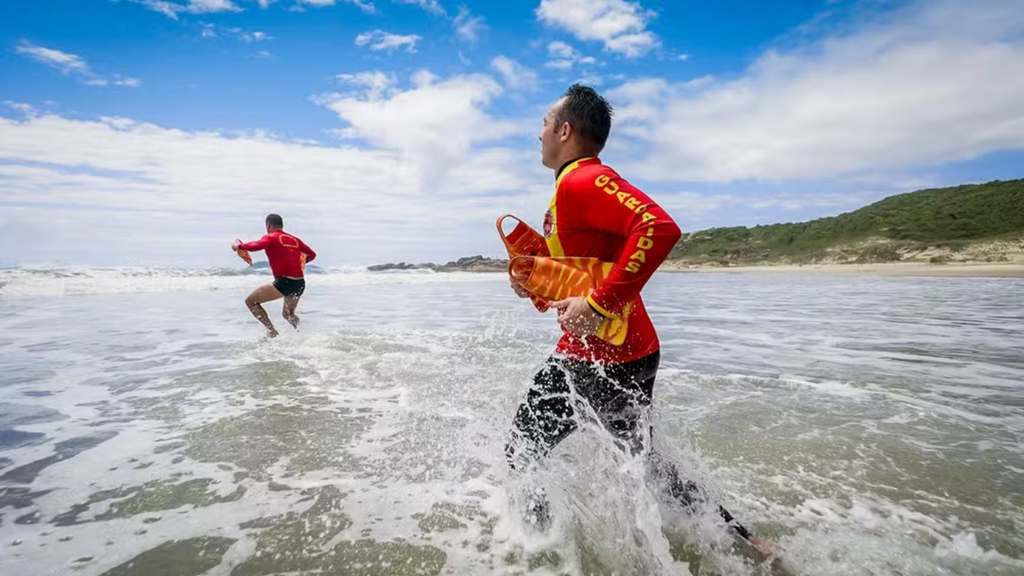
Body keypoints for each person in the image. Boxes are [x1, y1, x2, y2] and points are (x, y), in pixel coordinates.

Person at [505, 84, 778, 557]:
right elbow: (588, 269)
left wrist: (598, 305)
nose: (538, 133)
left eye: (545, 123)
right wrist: (537, 281)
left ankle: (535, 549)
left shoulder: (583, 180)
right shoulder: (571, 187)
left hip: (601, 355)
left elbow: (659, 227)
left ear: (565, 131)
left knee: (521, 447)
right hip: (623, 351)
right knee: (643, 461)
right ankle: (748, 542)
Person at [232, 214, 316, 338]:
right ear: (281, 225)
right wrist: (300, 263)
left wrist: (240, 246)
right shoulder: (295, 240)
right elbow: (312, 254)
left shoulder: (270, 237)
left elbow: (257, 245)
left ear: (268, 225)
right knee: (288, 314)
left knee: (250, 302)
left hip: (285, 282)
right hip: (299, 283)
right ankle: (302, 335)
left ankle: (272, 331)